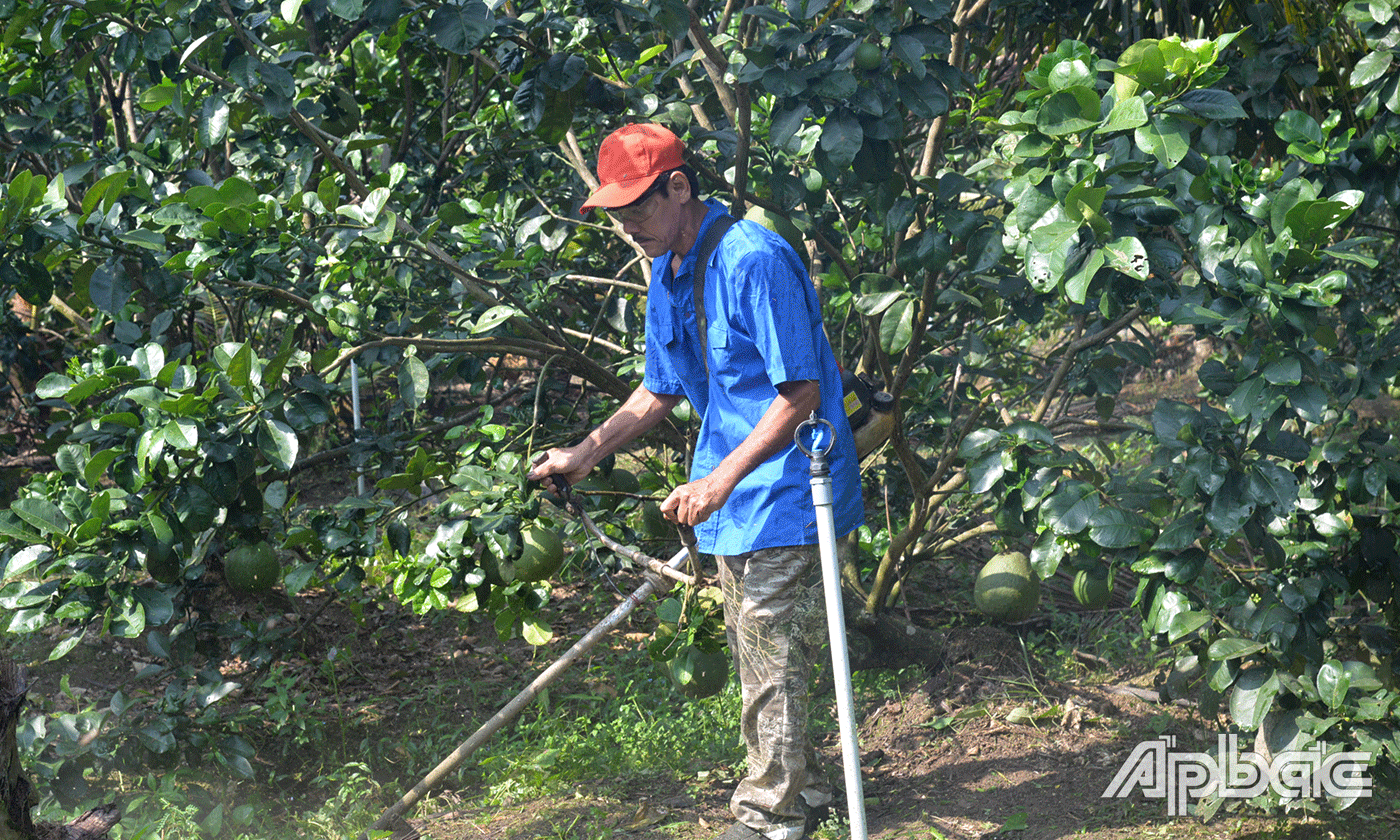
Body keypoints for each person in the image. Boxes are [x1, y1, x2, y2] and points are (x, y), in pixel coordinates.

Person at [527, 123, 863, 840]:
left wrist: (717, 483)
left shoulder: (753, 260)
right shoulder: (669, 271)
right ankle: (804, 786)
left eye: (638, 211)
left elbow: (798, 393)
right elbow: (658, 392)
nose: (630, 229)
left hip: (790, 484)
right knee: (759, 645)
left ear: (679, 187)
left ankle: (769, 812)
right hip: (734, 497)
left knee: (768, 641)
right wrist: (583, 453)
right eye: (618, 218)